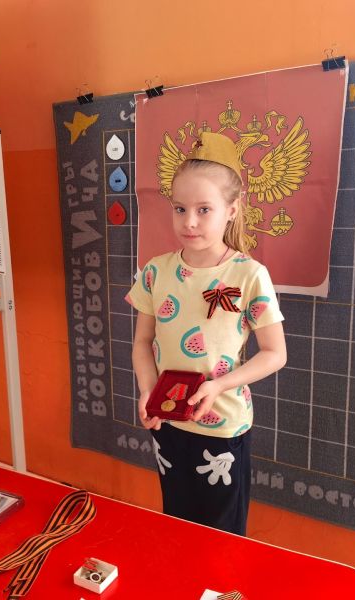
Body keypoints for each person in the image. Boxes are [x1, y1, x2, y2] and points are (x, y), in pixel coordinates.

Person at [126, 131, 287, 536]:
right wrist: (148, 390)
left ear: (231, 210)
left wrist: (219, 386)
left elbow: (275, 353)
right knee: (176, 526)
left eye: (203, 209)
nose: (189, 222)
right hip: (168, 424)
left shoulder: (249, 275)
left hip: (223, 428)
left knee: (221, 537)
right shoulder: (155, 271)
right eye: (180, 209)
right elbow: (142, 342)